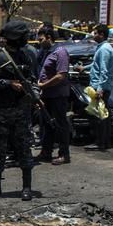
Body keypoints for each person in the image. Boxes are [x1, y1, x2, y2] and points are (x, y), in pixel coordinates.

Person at [0, 20, 38, 201]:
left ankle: (26, 187)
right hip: (1, 113)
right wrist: (8, 84)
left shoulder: (27, 58)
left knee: (24, 151)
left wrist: (34, 95)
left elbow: (33, 81)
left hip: (21, 112)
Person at [36, 28, 71, 164]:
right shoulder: (47, 52)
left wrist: (43, 85)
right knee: (47, 124)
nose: (39, 42)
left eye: (41, 39)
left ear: (49, 37)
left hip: (58, 95)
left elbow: (61, 75)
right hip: (48, 95)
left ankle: (64, 154)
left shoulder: (60, 52)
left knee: (60, 124)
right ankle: (46, 152)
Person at [87, 24, 113, 151]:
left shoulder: (104, 49)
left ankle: (100, 142)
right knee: (103, 115)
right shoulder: (103, 48)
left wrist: (100, 89)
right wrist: (84, 68)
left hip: (101, 88)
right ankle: (104, 141)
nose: (94, 35)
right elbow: (96, 65)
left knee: (100, 117)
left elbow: (104, 71)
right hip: (102, 86)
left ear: (102, 34)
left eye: (95, 33)